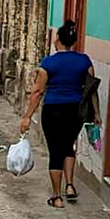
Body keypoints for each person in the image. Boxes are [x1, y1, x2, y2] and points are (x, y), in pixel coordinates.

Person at [20, 19, 99, 208]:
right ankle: (70, 185)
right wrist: (96, 113)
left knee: (55, 151)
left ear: (58, 40)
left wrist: (27, 116)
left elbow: (38, 91)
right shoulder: (84, 61)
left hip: (53, 109)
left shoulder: (49, 63)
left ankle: (57, 196)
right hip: (76, 111)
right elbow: (91, 89)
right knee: (68, 146)